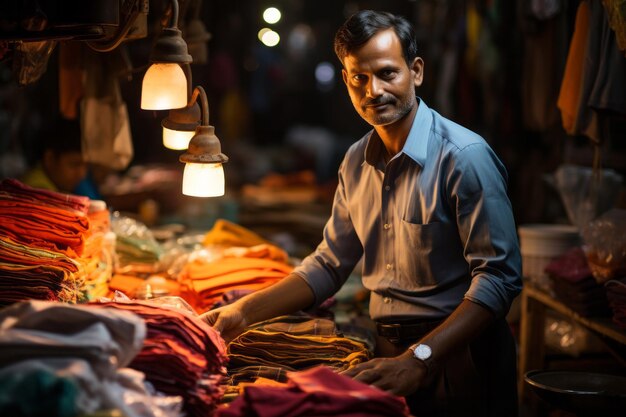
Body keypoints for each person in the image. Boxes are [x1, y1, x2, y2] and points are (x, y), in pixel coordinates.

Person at [202, 10, 522, 417]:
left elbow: (499, 279)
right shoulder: (355, 161)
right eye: (360, 78)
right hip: (387, 350)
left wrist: (421, 357)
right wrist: (242, 313)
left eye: (388, 73)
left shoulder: (464, 157)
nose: (374, 90)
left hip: (459, 355)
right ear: (346, 81)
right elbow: (330, 264)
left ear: (416, 71)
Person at [20, 117, 100, 199]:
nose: (82, 174)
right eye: (74, 164)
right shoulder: (36, 190)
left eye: (86, 166)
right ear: (50, 159)